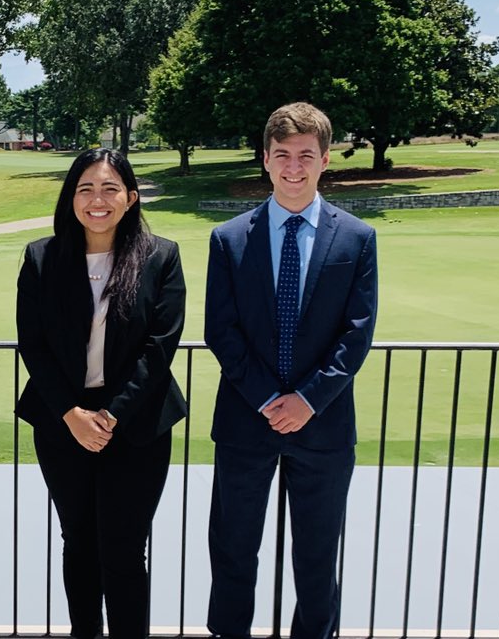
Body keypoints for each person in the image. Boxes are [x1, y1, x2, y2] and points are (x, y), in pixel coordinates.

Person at [205, 102, 378, 639]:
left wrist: (307, 399)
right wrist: (267, 398)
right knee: (232, 553)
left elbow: (357, 332)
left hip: (323, 427)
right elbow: (222, 331)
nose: (294, 167)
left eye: (306, 155)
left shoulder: (356, 238)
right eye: (282, 155)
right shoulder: (229, 238)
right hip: (244, 422)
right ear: (265, 159)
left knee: (318, 559)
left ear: (325, 160)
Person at [16, 148, 187, 638]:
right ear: (71, 197)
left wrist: (110, 416)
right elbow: (35, 344)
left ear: (131, 198)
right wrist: (71, 413)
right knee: (79, 543)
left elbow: (159, 348)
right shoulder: (42, 258)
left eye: (110, 188)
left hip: (136, 427)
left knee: (126, 549)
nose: (97, 199)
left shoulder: (161, 256)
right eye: (85, 188)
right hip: (62, 423)